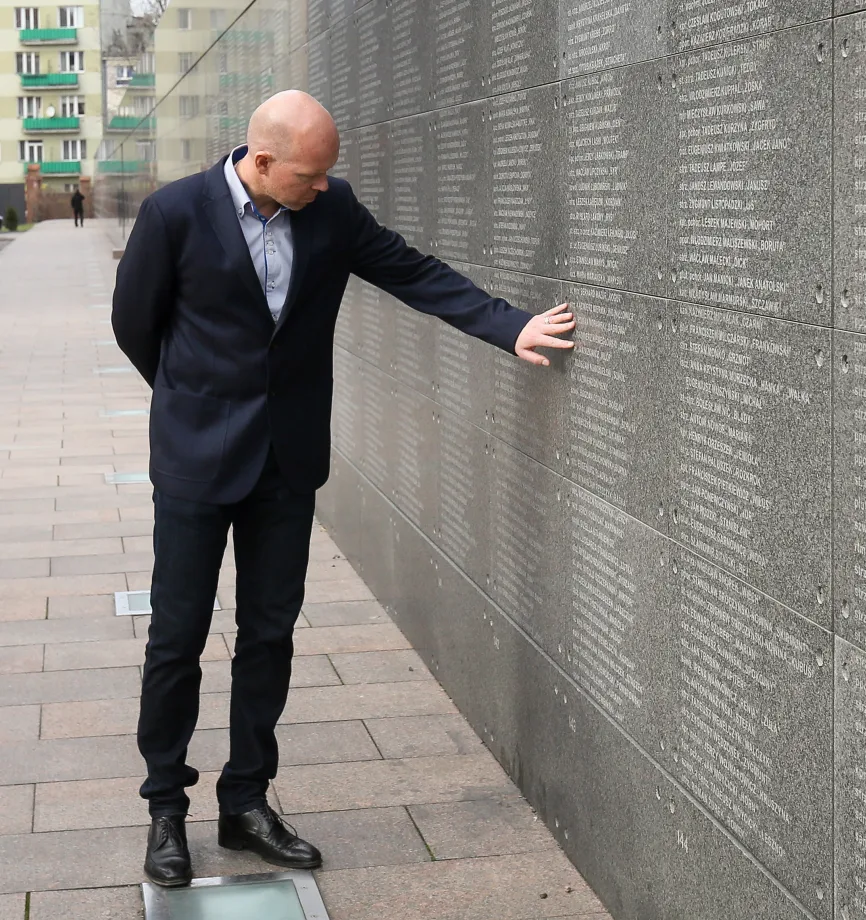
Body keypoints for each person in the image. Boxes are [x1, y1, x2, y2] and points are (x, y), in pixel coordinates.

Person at [111, 90, 576, 888]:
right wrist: (191, 403)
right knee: (177, 637)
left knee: (269, 633)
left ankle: (246, 801)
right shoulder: (173, 214)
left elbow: (412, 272)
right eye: (310, 174)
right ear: (262, 162)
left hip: (286, 464)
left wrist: (509, 325)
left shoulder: (332, 210)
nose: (324, 186)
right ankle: (165, 810)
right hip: (194, 464)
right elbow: (134, 324)